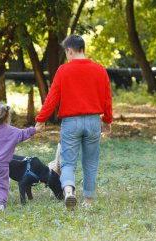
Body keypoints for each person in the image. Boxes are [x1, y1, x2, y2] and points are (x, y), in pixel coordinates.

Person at [35, 34, 113, 210]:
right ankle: (88, 202)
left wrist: (41, 119)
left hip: (71, 123)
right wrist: (107, 120)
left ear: (70, 51)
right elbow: (107, 98)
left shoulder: (64, 70)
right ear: (83, 49)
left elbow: (52, 97)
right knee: (90, 163)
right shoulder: (100, 70)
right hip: (93, 121)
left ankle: (69, 192)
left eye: (66, 52)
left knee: (68, 162)